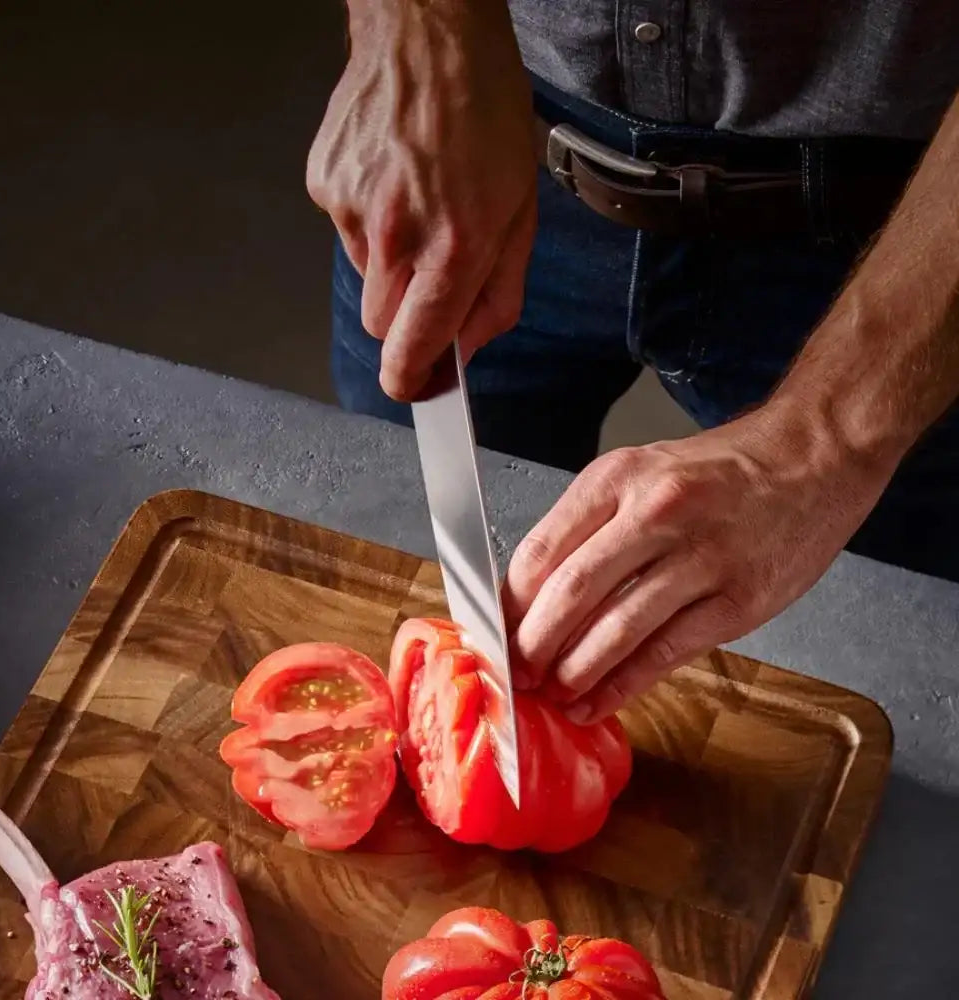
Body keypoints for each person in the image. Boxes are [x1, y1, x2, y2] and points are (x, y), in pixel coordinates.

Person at [306, 0, 959, 723]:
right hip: (479, 139)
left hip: (914, 236)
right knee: (394, 569)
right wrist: (416, 27)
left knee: (907, 696)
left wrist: (826, 437)